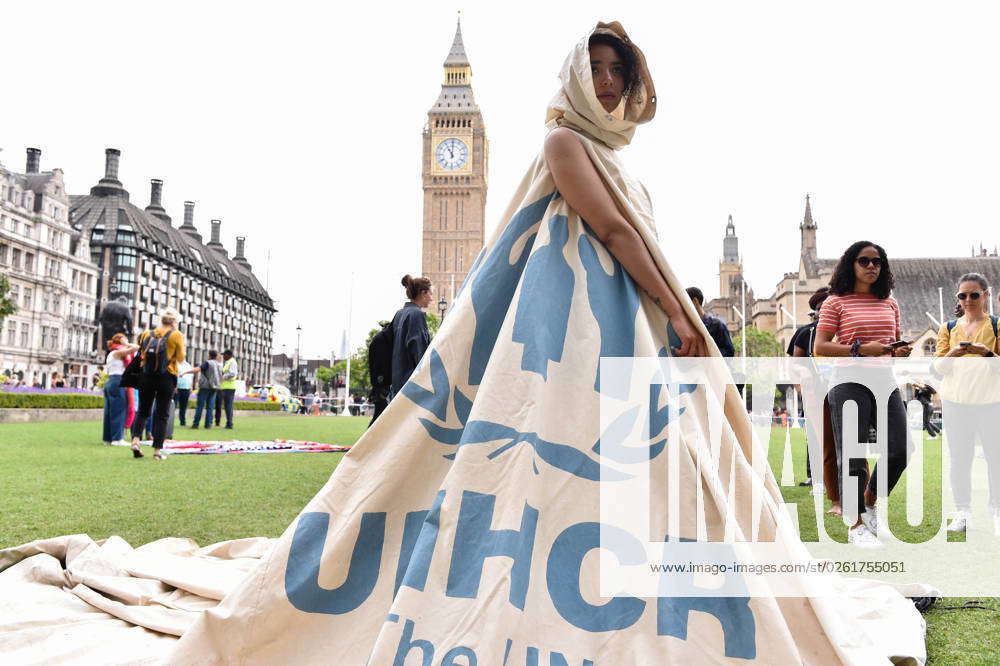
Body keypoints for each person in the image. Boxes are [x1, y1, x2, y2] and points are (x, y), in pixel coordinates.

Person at [171, 24, 918, 665]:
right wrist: (684, 317)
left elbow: (640, 241)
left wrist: (677, 322)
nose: (607, 80)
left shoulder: (618, 158)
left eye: (619, 71)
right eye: (595, 67)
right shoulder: (564, 141)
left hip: (626, 337)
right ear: (573, 75)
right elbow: (619, 236)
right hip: (568, 339)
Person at [814, 241, 912, 546]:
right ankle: (855, 525)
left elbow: (891, 341)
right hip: (848, 381)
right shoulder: (836, 302)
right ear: (851, 264)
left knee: (901, 449)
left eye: (878, 261)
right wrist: (859, 349)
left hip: (884, 379)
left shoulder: (889, 303)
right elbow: (820, 347)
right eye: (864, 260)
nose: (872, 266)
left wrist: (900, 350)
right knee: (853, 454)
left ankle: (868, 504)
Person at [933, 272, 1000, 534]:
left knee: (996, 458)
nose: (968, 300)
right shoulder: (947, 328)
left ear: (986, 295)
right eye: (963, 295)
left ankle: (996, 511)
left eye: (974, 294)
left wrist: (986, 353)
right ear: (957, 298)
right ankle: (963, 512)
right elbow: (938, 367)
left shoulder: (995, 326)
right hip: (956, 403)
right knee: (960, 459)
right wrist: (953, 352)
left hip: (991, 403)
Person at [129, 309, 186, 460]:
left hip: (146, 376)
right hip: (166, 377)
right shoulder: (176, 335)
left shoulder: (147, 333)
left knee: (143, 410)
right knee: (162, 414)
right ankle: (157, 452)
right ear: (174, 322)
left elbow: (141, 353)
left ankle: (135, 441)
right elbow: (181, 358)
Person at [389, 275, 434, 396]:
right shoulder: (416, 314)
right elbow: (420, 351)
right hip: (412, 384)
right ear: (423, 293)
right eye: (431, 293)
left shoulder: (400, 314)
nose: (431, 298)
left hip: (397, 381)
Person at [101, 333, 138, 446]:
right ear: (120, 341)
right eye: (125, 339)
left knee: (109, 412)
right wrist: (126, 343)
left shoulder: (112, 353)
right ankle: (117, 439)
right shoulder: (117, 352)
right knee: (119, 410)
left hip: (112, 381)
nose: (127, 341)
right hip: (118, 381)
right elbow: (136, 347)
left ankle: (108, 438)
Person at [685, 286, 734, 356]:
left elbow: (729, 352)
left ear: (695, 302)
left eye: (685, 303)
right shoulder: (687, 328)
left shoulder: (717, 325)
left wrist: (708, 354)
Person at [191, 350, 222, 430]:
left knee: (200, 406)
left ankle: (195, 424)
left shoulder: (207, 363)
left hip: (205, 387)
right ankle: (208, 424)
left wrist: (185, 372)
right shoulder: (219, 364)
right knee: (210, 407)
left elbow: (197, 369)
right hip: (215, 387)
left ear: (209, 355)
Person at [215, 349, 239, 429]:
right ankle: (229, 423)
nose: (223, 356)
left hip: (229, 387)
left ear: (229, 355)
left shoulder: (232, 362)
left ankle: (229, 424)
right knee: (227, 406)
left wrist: (223, 377)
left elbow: (233, 373)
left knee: (228, 406)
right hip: (226, 387)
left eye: (224, 355)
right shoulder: (228, 362)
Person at [175, 360, 196, 426]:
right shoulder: (176, 364)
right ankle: (170, 420)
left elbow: (191, 377)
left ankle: (182, 422)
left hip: (186, 388)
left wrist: (191, 387)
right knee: (174, 405)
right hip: (177, 388)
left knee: (183, 406)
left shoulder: (188, 365)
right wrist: (174, 386)